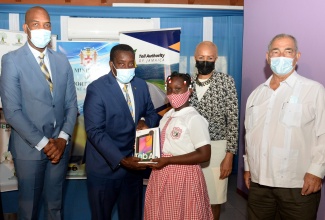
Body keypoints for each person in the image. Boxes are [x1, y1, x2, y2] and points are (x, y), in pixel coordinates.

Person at [0, 6, 78, 220]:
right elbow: (12, 111)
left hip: (60, 149)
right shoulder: (12, 60)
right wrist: (46, 144)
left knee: (55, 207)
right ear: (26, 28)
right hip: (29, 150)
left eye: (47, 25)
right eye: (36, 24)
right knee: (28, 209)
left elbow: (72, 105)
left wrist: (62, 139)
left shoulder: (62, 61)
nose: (42, 29)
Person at [243, 33, 325, 220]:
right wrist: (248, 167)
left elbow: (323, 133)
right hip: (259, 185)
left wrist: (316, 171)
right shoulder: (256, 95)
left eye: (288, 51)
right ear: (268, 57)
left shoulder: (313, 90)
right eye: (276, 51)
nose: (281, 57)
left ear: (297, 56)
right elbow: (250, 135)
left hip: (297, 185)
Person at [83, 43, 159, 220]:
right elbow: (95, 131)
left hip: (133, 167)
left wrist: (144, 121)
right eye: (122, 63)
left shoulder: (141, 85)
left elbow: (152, 114)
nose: (127, 68)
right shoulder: (97, 89)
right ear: (112, 65)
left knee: (131, 215)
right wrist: (122, 160)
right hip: (105, 168)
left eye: (131, 63)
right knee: (102, 215)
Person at [144, 72, 213, 220]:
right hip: (162, 174)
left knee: (183, 212)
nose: (172, 93)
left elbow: (204, 154)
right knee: (163, 212)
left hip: (184, 176)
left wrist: (168, 161)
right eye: (169, 89)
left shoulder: (194, 119)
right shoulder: (167, 116)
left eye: (177, 89)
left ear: (189, 91)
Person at [190, 41, 239, 219]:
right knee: (191, 198)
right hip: (190, 148)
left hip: (217, 148)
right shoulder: (186, 82)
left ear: (215, 59)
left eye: (209, 58)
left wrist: (229, 156)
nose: (205, 61)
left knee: (214, 199)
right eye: (201, 58)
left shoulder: (226, 82)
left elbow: (233, 120)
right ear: (195, 58)